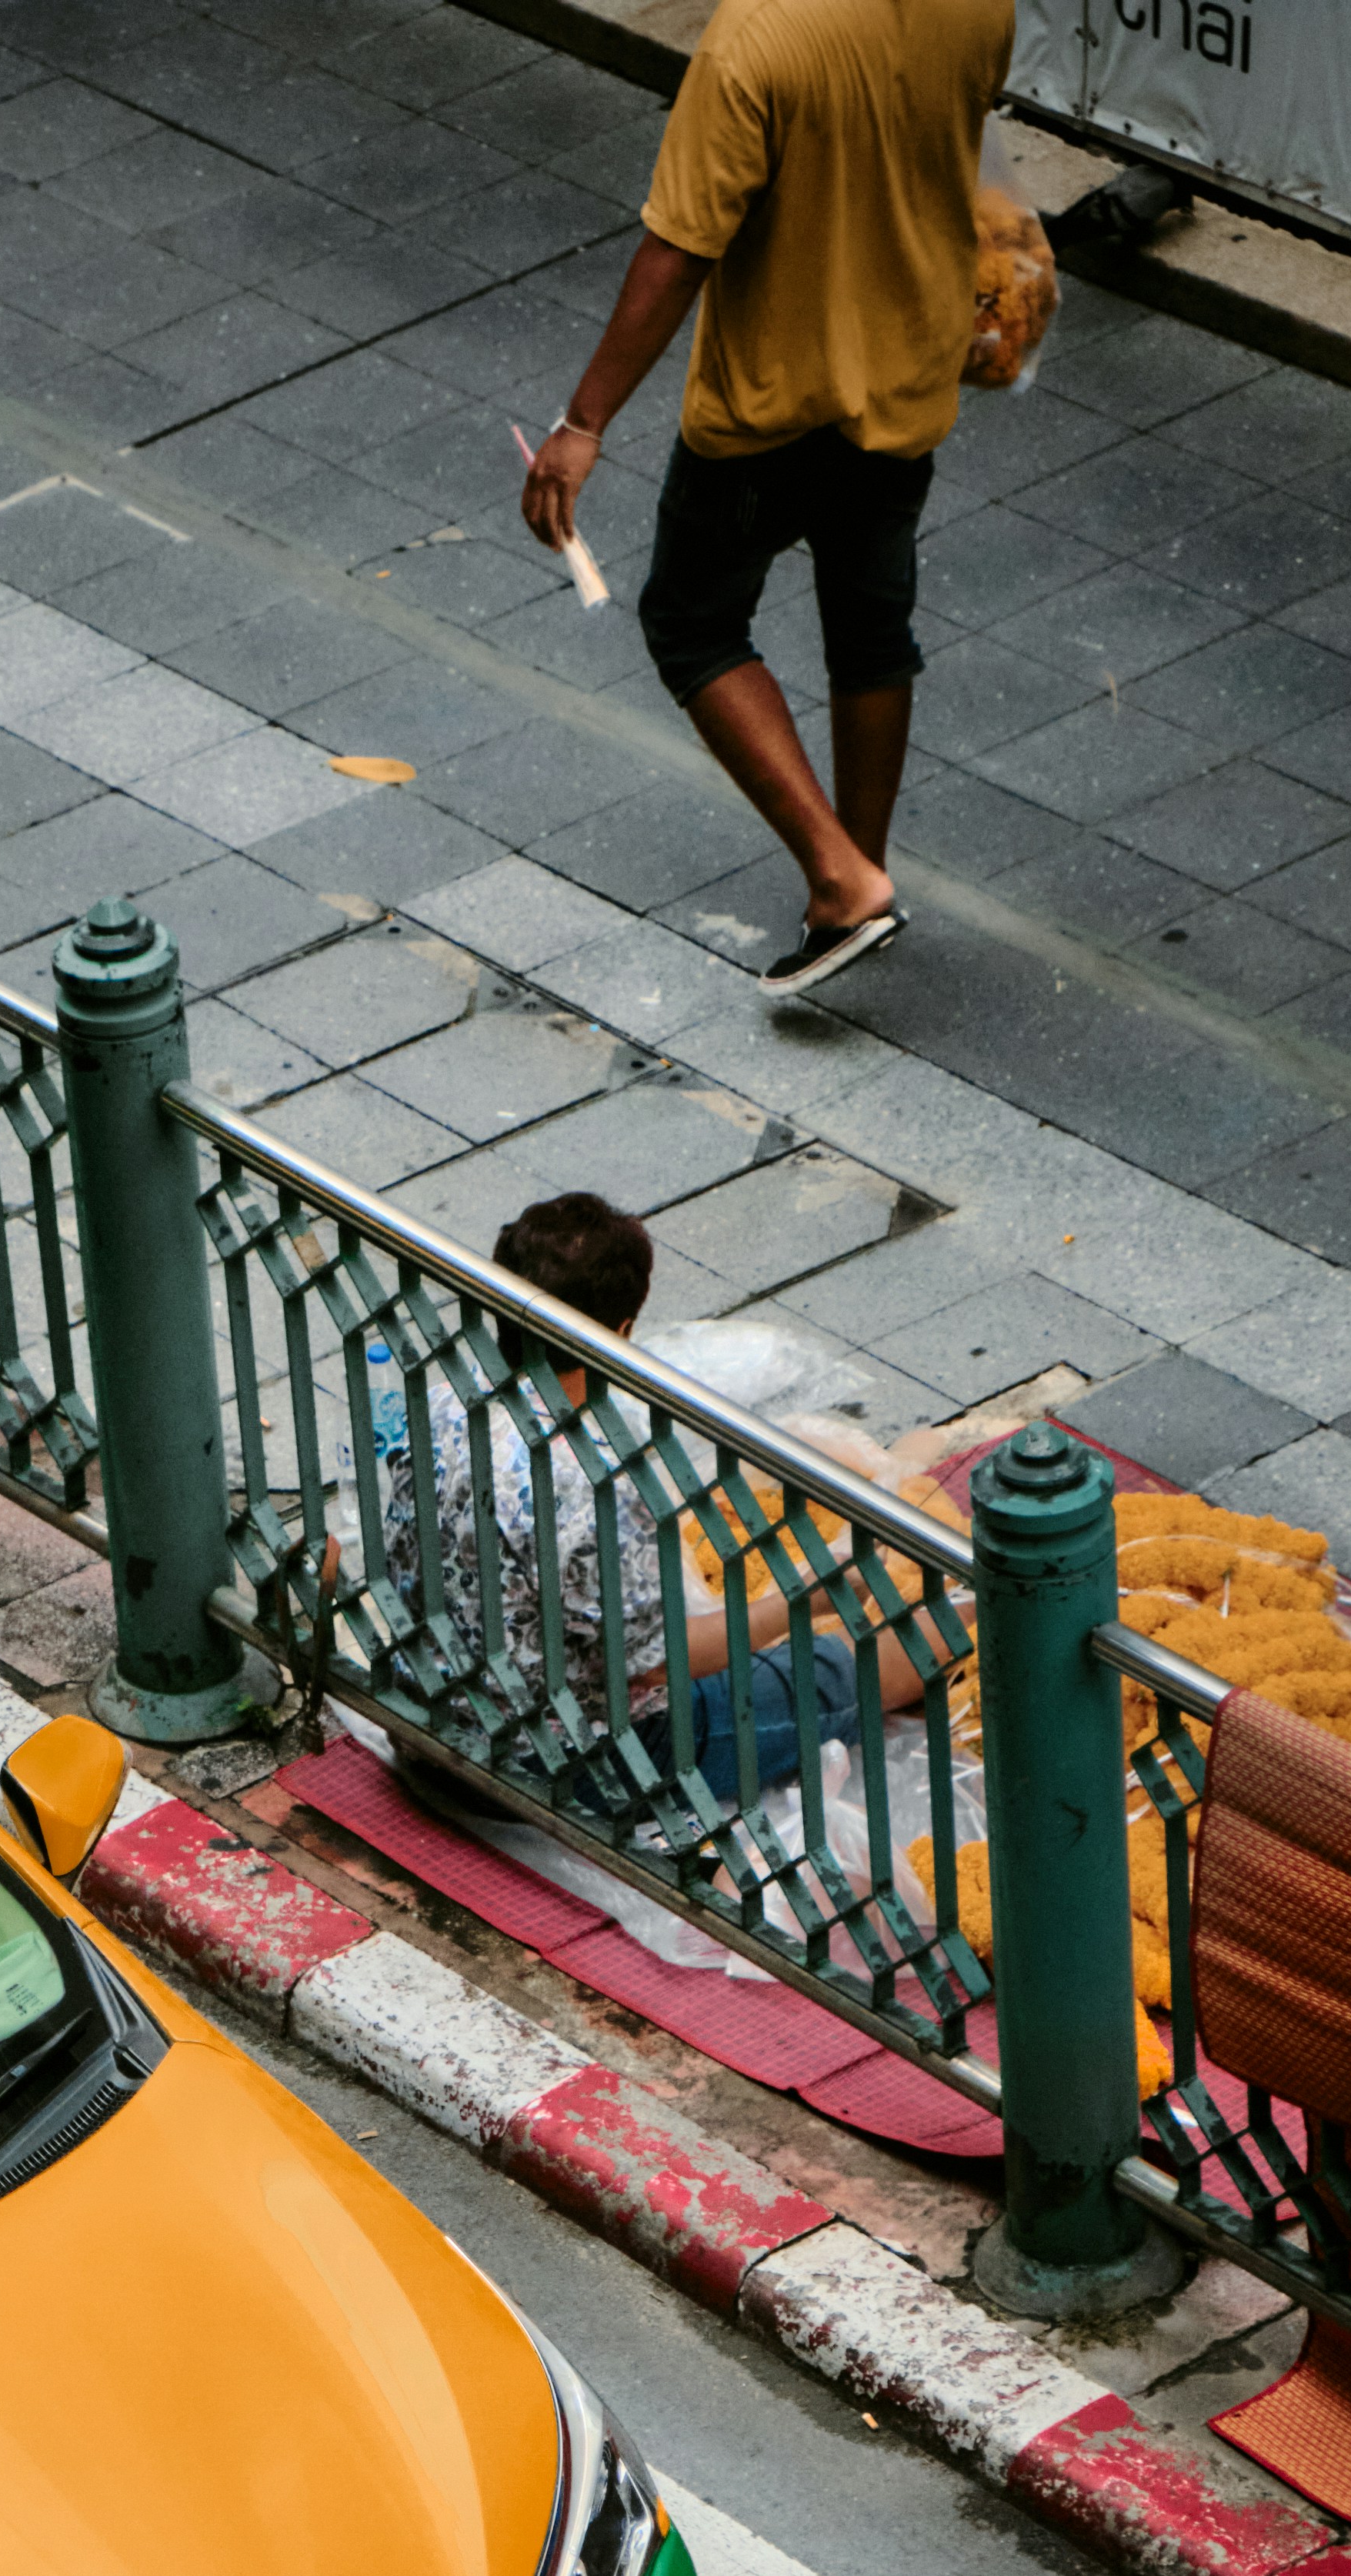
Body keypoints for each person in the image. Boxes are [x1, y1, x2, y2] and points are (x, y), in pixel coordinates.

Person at [517, 0, 1010, 996]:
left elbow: (678, 251)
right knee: (870, 633)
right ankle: (857, 878)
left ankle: (841, 880)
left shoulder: (755, 39)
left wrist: (582, 424)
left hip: (769, 411)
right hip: (904, 386)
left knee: (691, 623)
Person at [379, 1191, 926, 1788]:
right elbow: (659, 1665)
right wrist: (808, 1599)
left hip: (428, 1714)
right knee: (838, 1670)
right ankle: (979, 1618)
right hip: (551, 1764)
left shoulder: (441, 1406)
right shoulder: (592, 1482)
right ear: (621, 1331)